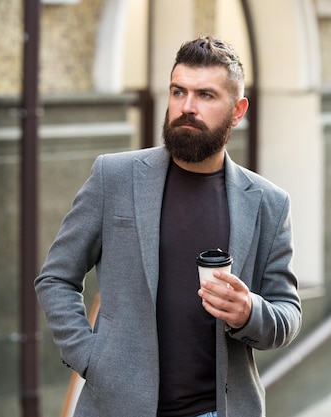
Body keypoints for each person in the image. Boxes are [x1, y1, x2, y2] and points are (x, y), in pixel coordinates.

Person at [35, 36, 302, 417]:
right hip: (115, 407)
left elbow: (287, 313)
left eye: (206, 96)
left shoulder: (268, 203)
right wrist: (90, 359)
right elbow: (56, 278)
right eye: (179, 92)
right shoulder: (114, 177)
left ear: (238, 110)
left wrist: (248, 312)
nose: (187, 107)